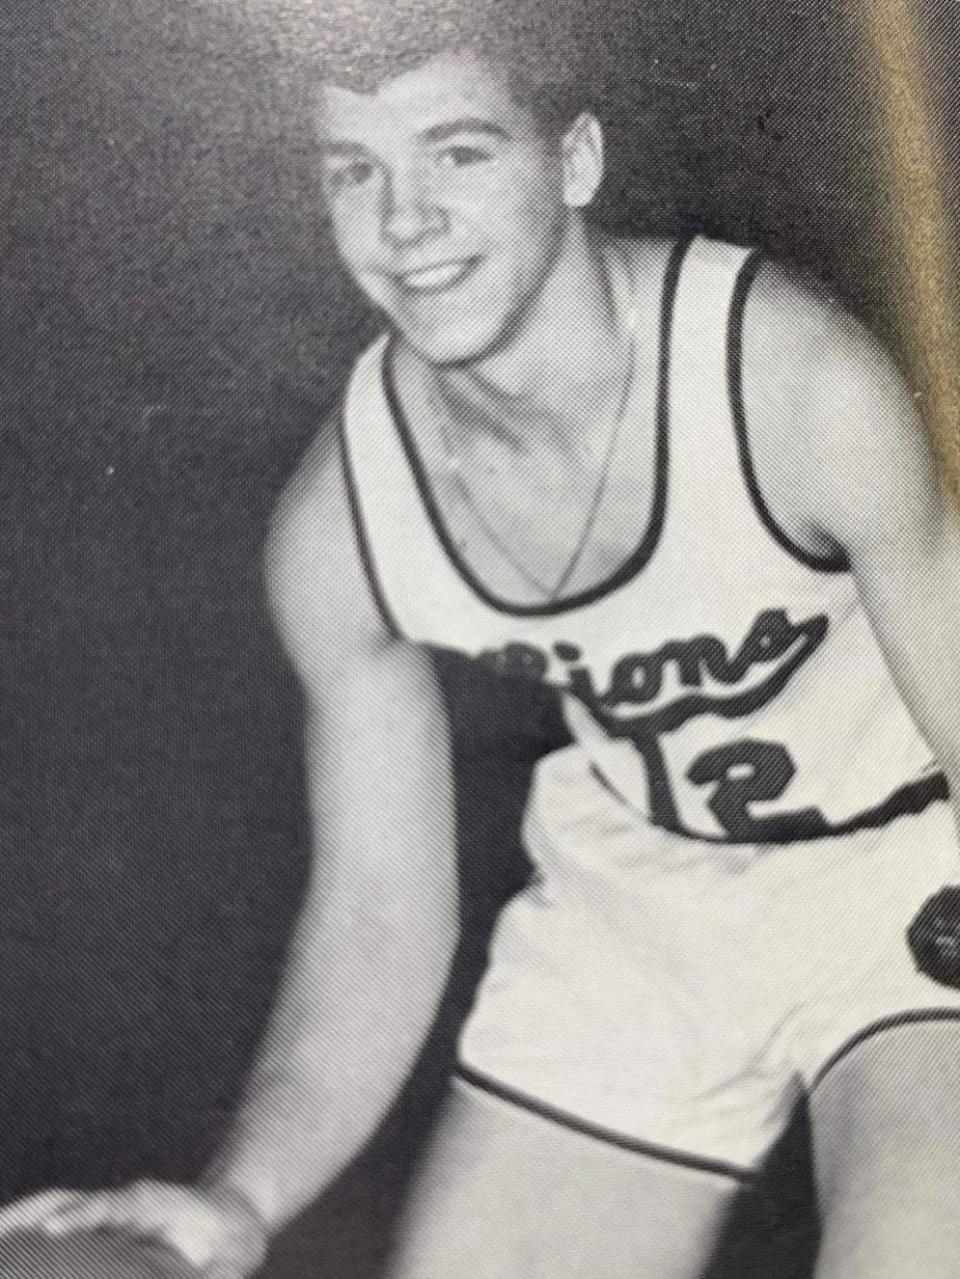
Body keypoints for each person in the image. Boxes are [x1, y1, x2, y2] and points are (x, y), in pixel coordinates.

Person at [4, 2, 960, 1274]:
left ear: (573, 162)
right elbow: (381, 915)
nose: (405, 223)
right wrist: (240, 1198)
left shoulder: (789, 380)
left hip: (902, 869)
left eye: (458, 153)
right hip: (639, 904)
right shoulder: (344, 520)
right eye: (358, 173)